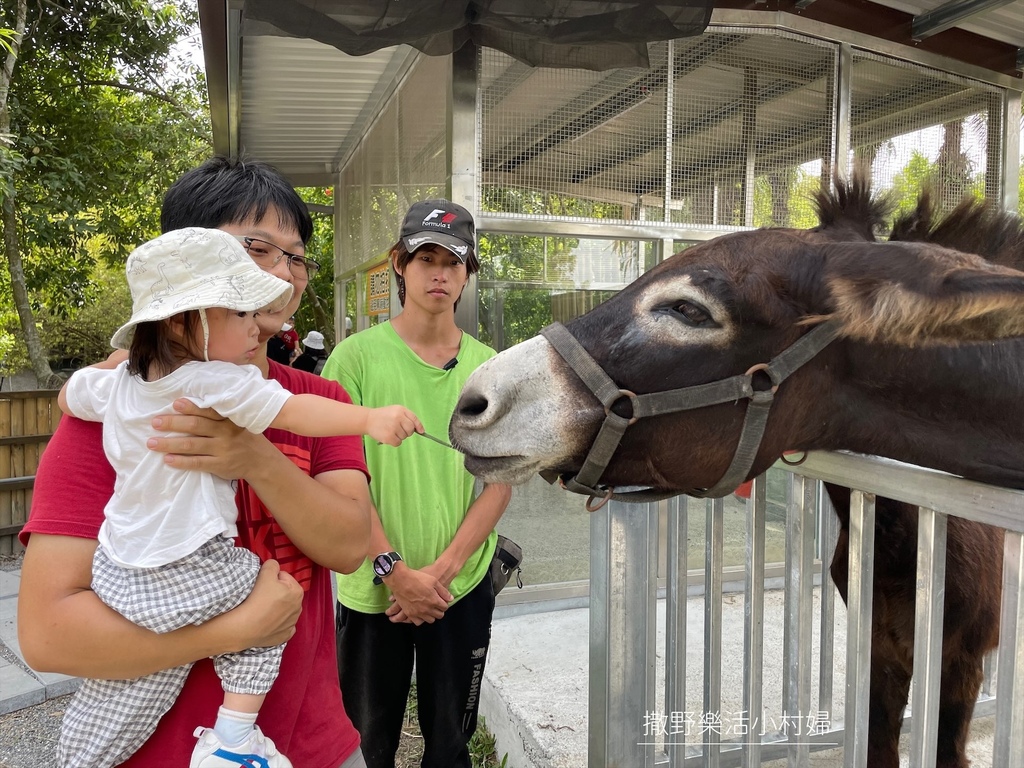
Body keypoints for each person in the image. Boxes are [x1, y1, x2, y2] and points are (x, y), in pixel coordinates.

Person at [18, 156, 374, 768]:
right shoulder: (116, 417)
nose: (285, 274)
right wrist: (234, 634)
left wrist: (254, 456)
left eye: (296, 256)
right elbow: (48, 633)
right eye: (258, 248)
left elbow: (348, 545)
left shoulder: (319, 402)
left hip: (314, 744)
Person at [322, 199, 512, 768]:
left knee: (451, 743)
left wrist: (441, 574)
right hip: (374, 587)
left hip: (459, 586)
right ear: (399, 265)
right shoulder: (355, 360)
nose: (439, 273)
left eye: (452, 262)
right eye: (425, 258)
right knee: (364, 739)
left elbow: (499, 483)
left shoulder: (488, 368)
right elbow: (340, 477)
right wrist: (395, 572)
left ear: (467, 274)